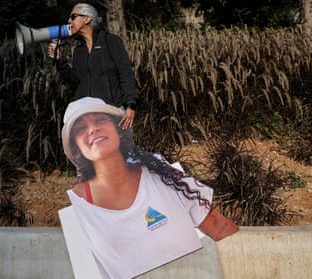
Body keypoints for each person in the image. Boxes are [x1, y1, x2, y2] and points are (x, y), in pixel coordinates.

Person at [61, 97, 239, 279]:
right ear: (75, 146)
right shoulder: (76, 210)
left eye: (99, 120)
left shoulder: (164, 175)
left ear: (118, 128)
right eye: (81, 128)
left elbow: (221, 228)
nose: (92, 129)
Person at [48, 3, 139, 130]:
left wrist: (131, 105)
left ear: (87, 19)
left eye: (73, 17)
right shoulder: (79, 51)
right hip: (87, 117)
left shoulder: (110, 41)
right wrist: (59, 61)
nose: (69, 21)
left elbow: (126, 73)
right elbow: (76, 83)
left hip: (113, 113)